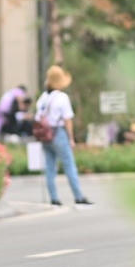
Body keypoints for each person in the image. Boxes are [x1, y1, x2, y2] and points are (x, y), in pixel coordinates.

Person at [34, 65, 91, 206]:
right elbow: (67, 120)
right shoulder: (62, 97)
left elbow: (38, 117)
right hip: (58, 133)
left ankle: (54, 198)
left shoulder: (43, 98)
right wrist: (71, 138)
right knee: (69, 165)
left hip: (45, 135)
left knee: (49, 166)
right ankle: (78, 196)